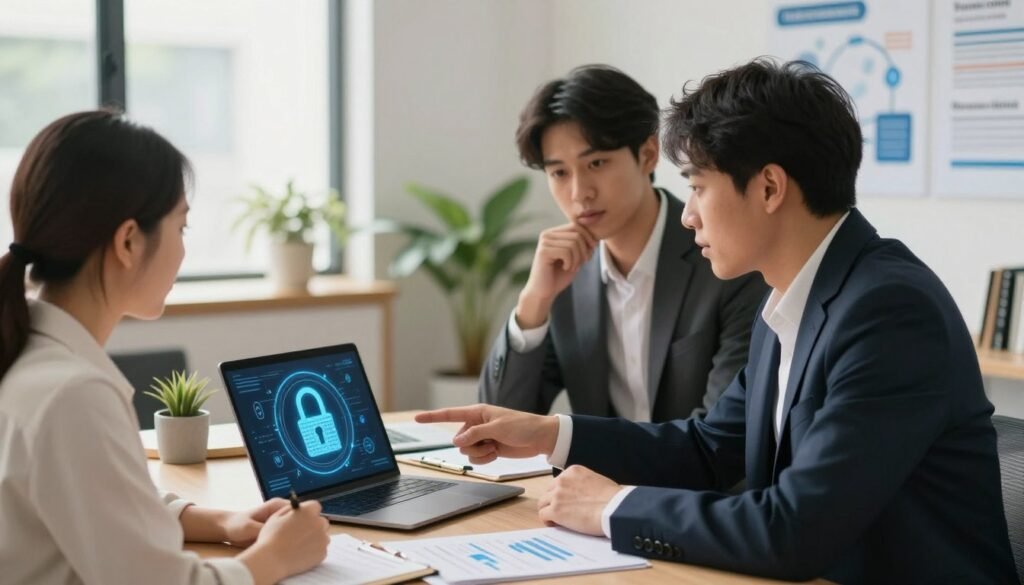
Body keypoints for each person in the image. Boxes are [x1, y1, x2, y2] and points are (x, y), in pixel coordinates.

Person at [421, 59, 1019, 583]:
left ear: (768, 188)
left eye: (699, 187)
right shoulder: (791, 297)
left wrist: (610, 506)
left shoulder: (888, 311)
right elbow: (710, 448)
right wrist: (551, 434)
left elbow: (795, 527)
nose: (688, 217)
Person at [0, 111, 330, 585]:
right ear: (129, 241)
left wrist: (216, 521)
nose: (182, 250)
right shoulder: (71, 394)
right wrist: (274, 558)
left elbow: (93, 495)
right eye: (181, 228)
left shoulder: (29, 355)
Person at [480, 65, 766, 422]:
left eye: (596, 163)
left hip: (686, 478)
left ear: (647, 155)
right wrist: (533, 302)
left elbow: (722, 439)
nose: (579, 192)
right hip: (589, 478)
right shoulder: (563, 276)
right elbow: (500, 422)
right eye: (559, 173)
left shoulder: (727, 260)